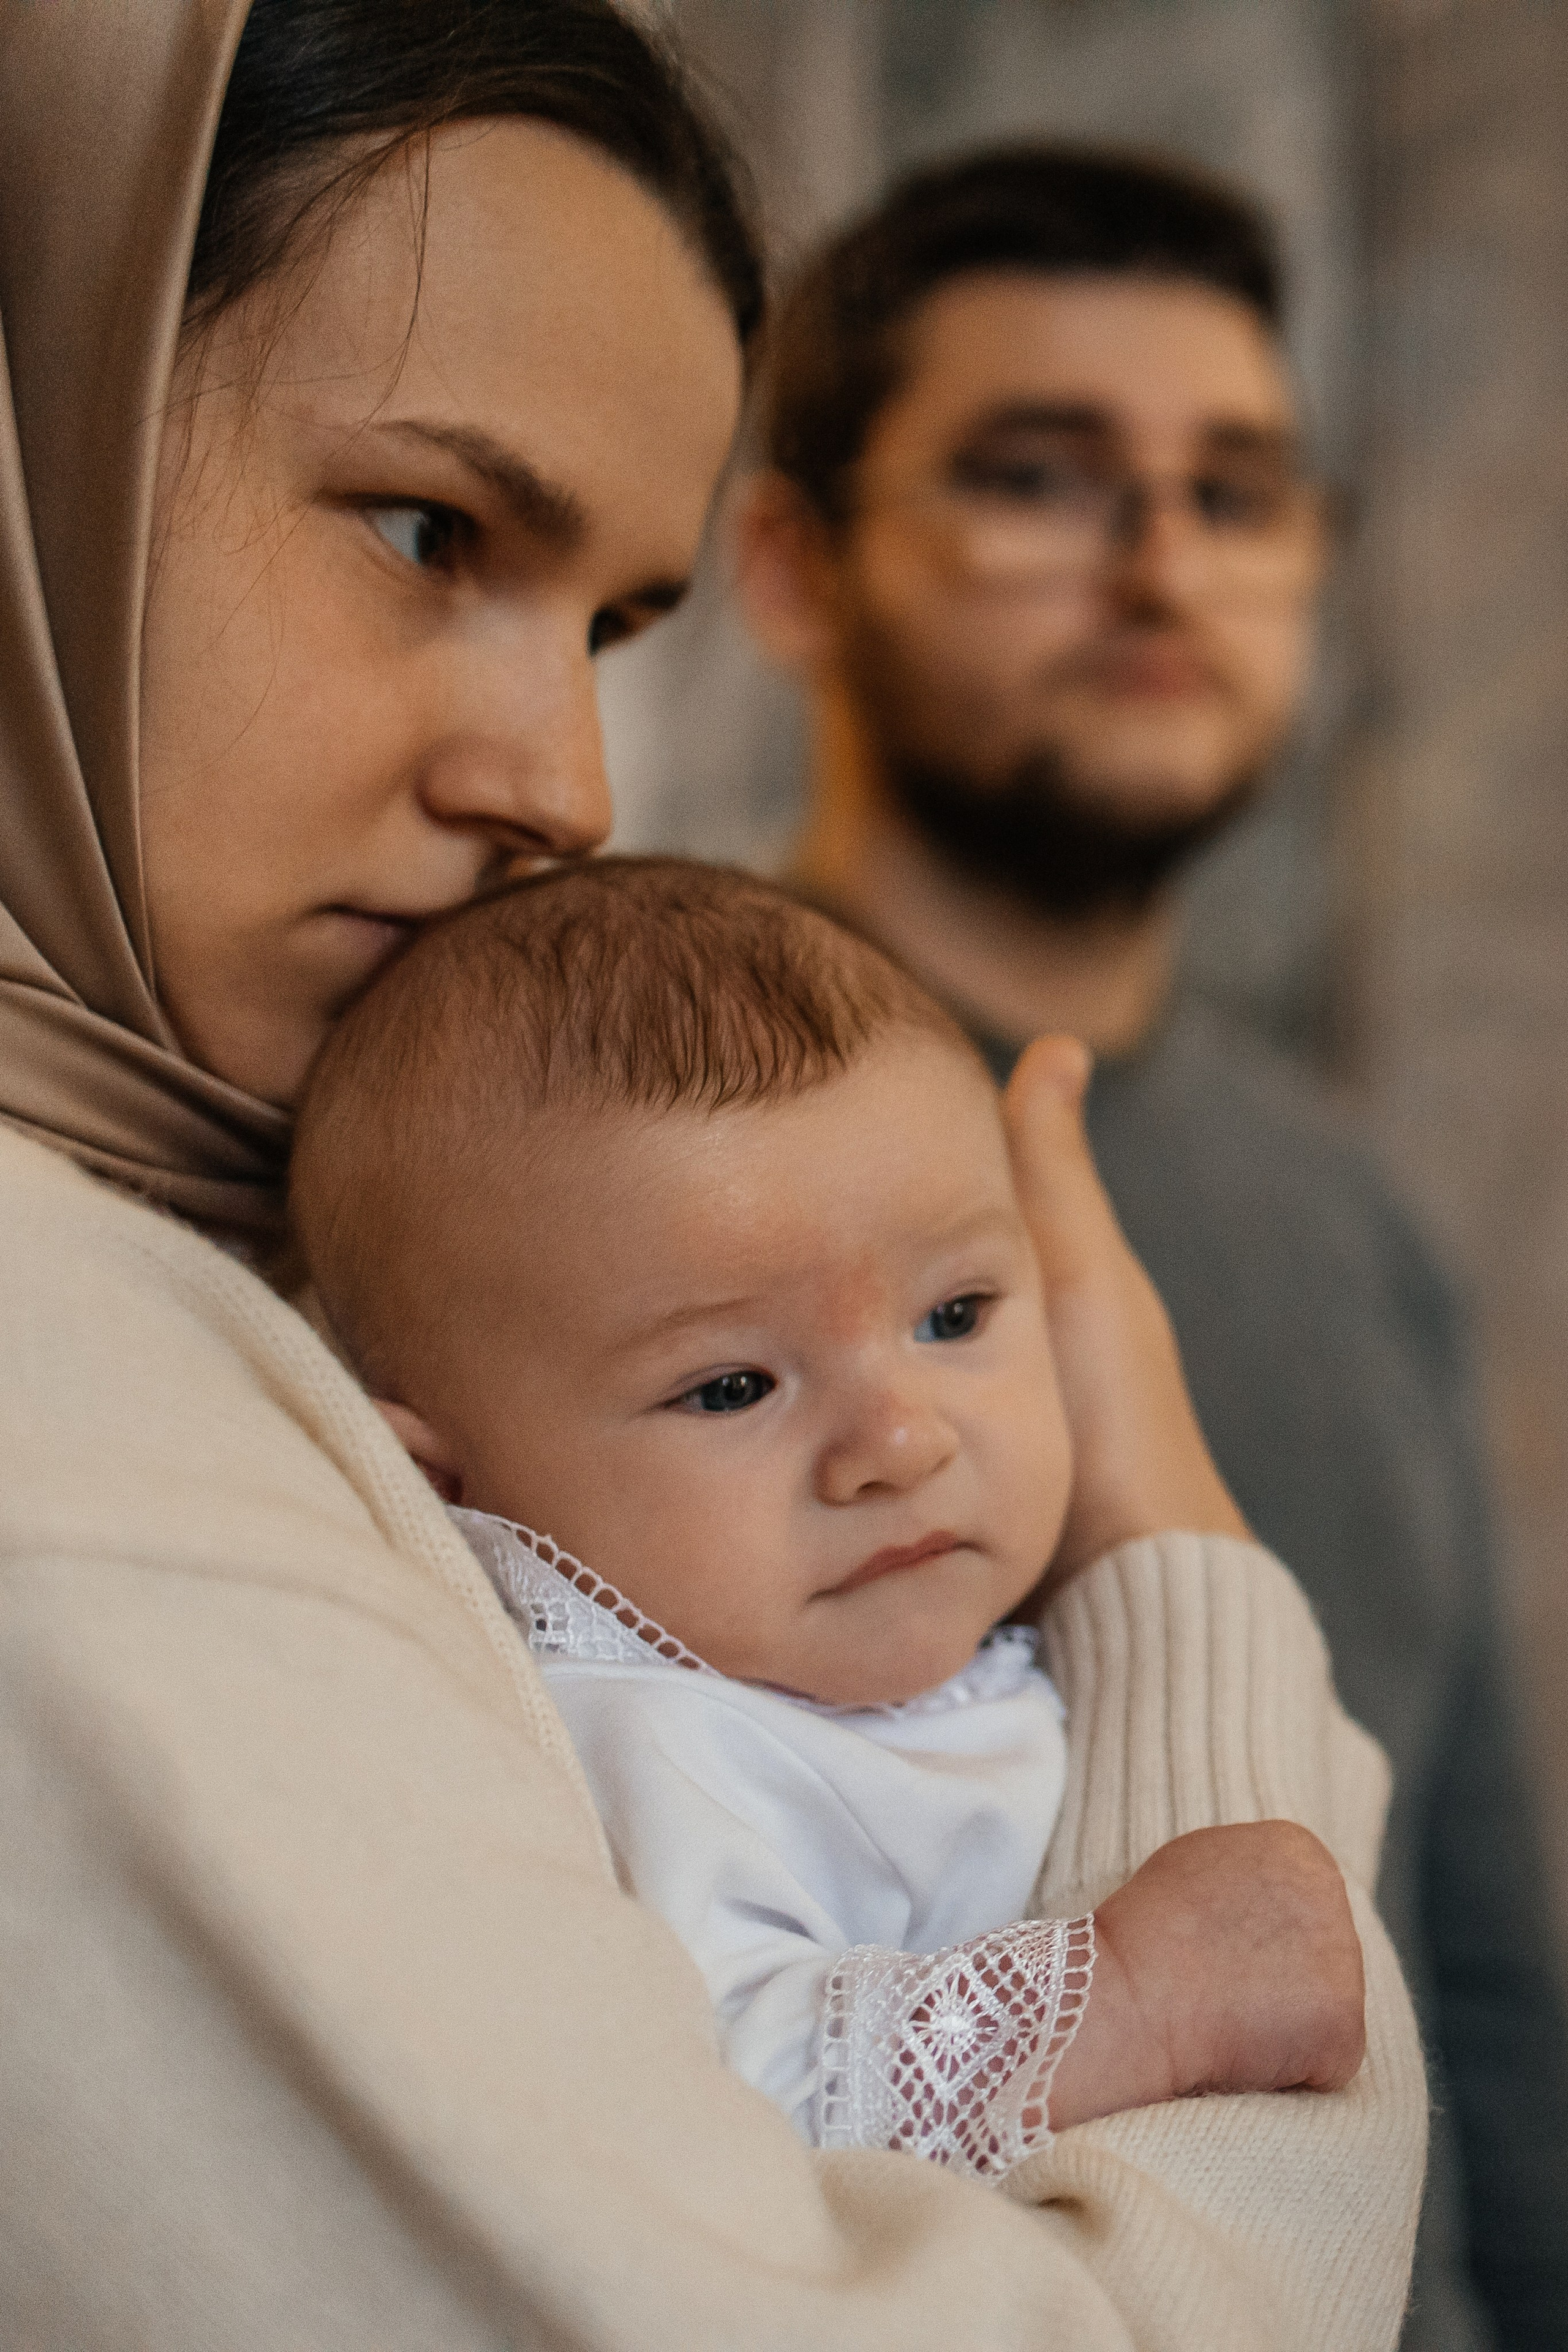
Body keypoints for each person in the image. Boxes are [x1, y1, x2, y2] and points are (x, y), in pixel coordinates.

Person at [0, 9, 1425, 2342]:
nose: (563, 783)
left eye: (606, 623)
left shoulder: (220, 1231)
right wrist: (1171, 1578)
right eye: (428, 529)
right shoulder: (74, 1446)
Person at [734, 142, 1568, 2350]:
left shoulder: (1343, 1213)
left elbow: (1481, 1983)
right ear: (793, 567)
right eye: (1038, 474)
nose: (1163, 559)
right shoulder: (619, 1168)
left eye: (1238, 490)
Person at [287, 853, 1370, 2174]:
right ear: (446, 1488)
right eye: (731, 1387)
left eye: (954, 1315)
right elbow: (729, 2102)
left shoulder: (964, 1648)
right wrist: (1130, 1998)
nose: (900, 1443)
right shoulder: (657, 1748)